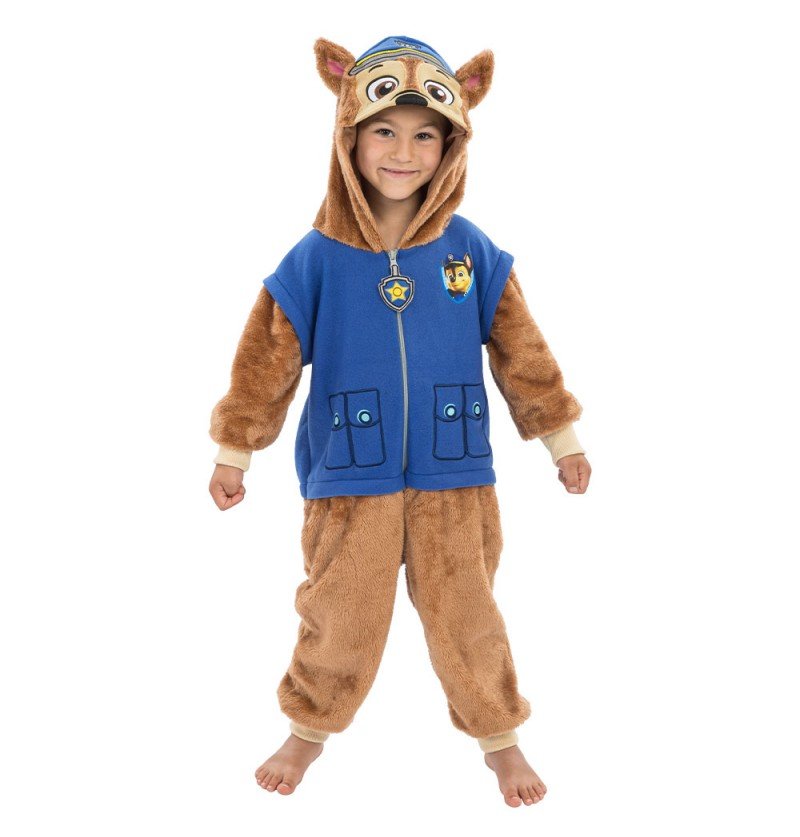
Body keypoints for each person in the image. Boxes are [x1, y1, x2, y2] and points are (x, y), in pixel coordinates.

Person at [208, 35, 592, 808]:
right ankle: (307, 728)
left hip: (456, 470)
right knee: (338, 611)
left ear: (451, 146)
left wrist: (561, 439)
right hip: (350, 474)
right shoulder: (315, 259)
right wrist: (235, 449)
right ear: (349, 134)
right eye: (384, 130)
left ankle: (500, 739)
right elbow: (266, 360)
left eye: (425, 135)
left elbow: (522, 350)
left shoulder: (470, 252)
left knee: (469, 613)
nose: (404, 151)